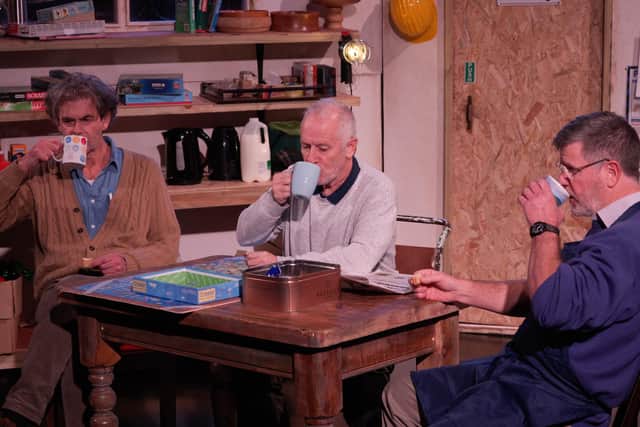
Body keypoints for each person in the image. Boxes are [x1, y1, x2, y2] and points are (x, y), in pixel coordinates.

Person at [382, 111, 640, 427]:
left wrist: (544, 226)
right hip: (525, 370)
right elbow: (548, 291)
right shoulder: (612, 227)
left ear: (611, 172)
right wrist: (460, 289)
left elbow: (550, 305)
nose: (562, 179)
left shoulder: (628, 241)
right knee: (403, 394)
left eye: (571, 169)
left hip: (557, 396)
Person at [0, 72, 180, 427]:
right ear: (57, 124)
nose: (78, 130)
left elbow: (167, 244)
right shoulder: (43, 175)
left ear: (105, 120)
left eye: (87, 119)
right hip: (64, 292)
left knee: (64, 308)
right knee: (69, 308)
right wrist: (24, 164)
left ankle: (20, 412)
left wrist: (128, 260)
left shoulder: (143, 170)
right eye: (68, 121)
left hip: (125, 289)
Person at [218, 98, 397, 427]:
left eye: (323, 149)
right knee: (240, 365)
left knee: (358, 393)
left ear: (350, 147)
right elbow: (245, 234)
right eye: (305, 146)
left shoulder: (376, 189)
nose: (311, 158)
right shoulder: (295, 179)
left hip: (361, 323)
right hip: (301, 317)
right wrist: (272, 200)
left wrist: (284, 263)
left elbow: (359, 260)